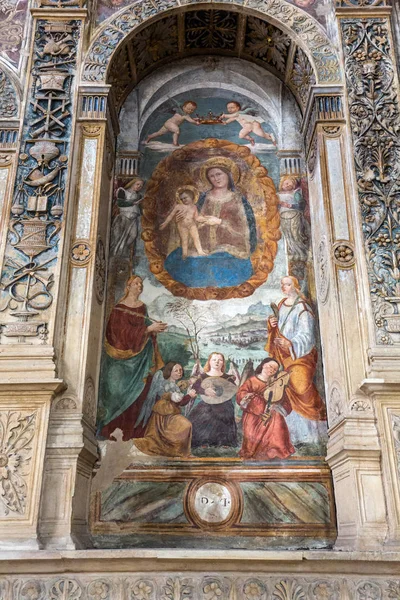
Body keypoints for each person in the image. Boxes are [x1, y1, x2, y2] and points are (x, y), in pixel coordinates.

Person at [165, 158, 257, 288]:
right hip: (201, 247)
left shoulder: (238, 199)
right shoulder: (202, 198)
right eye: (211, 176)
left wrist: (219, 222)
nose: (216, 178)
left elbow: (247, 229)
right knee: (180, 263)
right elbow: (190, 220)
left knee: (224, 267)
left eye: (219, 174)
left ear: (228, 175)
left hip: (230, 249)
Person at [97, 275, 167, 440]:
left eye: (141, 283)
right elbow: (117, 334)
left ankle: (130, 432)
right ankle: (110, 430)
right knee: (116, 393)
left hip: (141, 359)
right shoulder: (118, 309)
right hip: (119, 361)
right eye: (136, 283)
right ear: (128, 286)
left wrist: (152, 330)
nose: (139, 286)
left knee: (141, 392)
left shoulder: (142, 307)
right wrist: (148, 330)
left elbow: (143, 328)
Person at [266, 276, 326, 424]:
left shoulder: (302, 308)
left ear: (295, 286)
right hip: (282, 355)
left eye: (287, 284)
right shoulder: (281, 305)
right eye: (282, 284)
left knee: (300, 386)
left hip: (301, 356)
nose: (283, 287)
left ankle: (316, 416)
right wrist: (271, 324)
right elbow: (279, 327)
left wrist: (290, 343)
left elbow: (307, 336)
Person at [237, 358, 295, 460]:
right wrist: (248, 397)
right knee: (251, 439)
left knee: (276, 418)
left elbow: (286, 402)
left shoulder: (277, 384)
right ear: (263, 365)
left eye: (275, 369)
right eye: (270, 366)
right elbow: (241, 395)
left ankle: (275, 452)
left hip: (271, 415)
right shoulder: (251, 381)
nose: (272, 370)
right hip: (253, 415)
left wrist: (276, 406)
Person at [188, 352, 238, 448]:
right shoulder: (203, 376)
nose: (217, 362)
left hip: (224, 404)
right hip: (208, 403)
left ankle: (224, 442)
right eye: (214, 360)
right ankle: (203, 441)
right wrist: (205, 391)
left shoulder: (227, 377)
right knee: (203, 414)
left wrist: (222, 393)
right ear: (209, 362)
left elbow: (233, 389)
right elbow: (195, 388)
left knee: (225, 414)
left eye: (220, 360)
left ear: (223, 363)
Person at [134, 387, 196, 458]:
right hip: (166, 416)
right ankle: (173, 447)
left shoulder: (178, 387)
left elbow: (179, 401)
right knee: (185, 425)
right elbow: (171, 398)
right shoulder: (163, 401)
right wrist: (173, 396)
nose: (179, 374)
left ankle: (181, 450)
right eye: (177, 374)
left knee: (187, 425)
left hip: (172, 415)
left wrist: (188, 396)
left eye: (180, 374)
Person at [160, 187, 219, 259]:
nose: (183, 200)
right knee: (184, 240)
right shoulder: (179, 206)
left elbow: (196, 218)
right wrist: (165, 223)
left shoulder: (194, 207)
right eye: (181, 199)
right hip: (182, 226)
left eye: (185, 198)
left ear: (191, 197)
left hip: (192, 225)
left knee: (196, 237)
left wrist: (206, 219)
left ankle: (200, 251)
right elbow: (171, 216)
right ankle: (184, 254)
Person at [135, 362, 196, 431]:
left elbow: (180, 401)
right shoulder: (166, 384)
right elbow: (179, 402)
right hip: (163, 416)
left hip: (170, 414)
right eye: (176, 370)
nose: (179, 372)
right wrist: (189, 396)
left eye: (181, 370)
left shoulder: (175, 385)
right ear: (169, 371)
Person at [110, 177, 144, 258]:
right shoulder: (123, 191)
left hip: (133, 219)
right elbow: (120, 203)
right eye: (137, 184)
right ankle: (117, 252)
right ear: (133, 183)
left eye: (141, 186)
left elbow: (139, 207)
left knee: (133, 235)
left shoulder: (138, 195)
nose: (139, 187)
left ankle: (123, 248)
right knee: (119, 236)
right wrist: (133, 203)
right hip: (124, 217)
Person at [278, 177, 310, 262]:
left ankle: (303, 253)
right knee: (288, 236)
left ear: (294, 186)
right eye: (286, 183)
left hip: (294, 215)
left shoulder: (295, 193)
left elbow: (301, 206)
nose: (288, 185)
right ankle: (294, 254)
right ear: (282, 184)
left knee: (296, 234)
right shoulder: (277, 195)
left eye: (290, 183)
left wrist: (289, 205)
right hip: (283, 217)